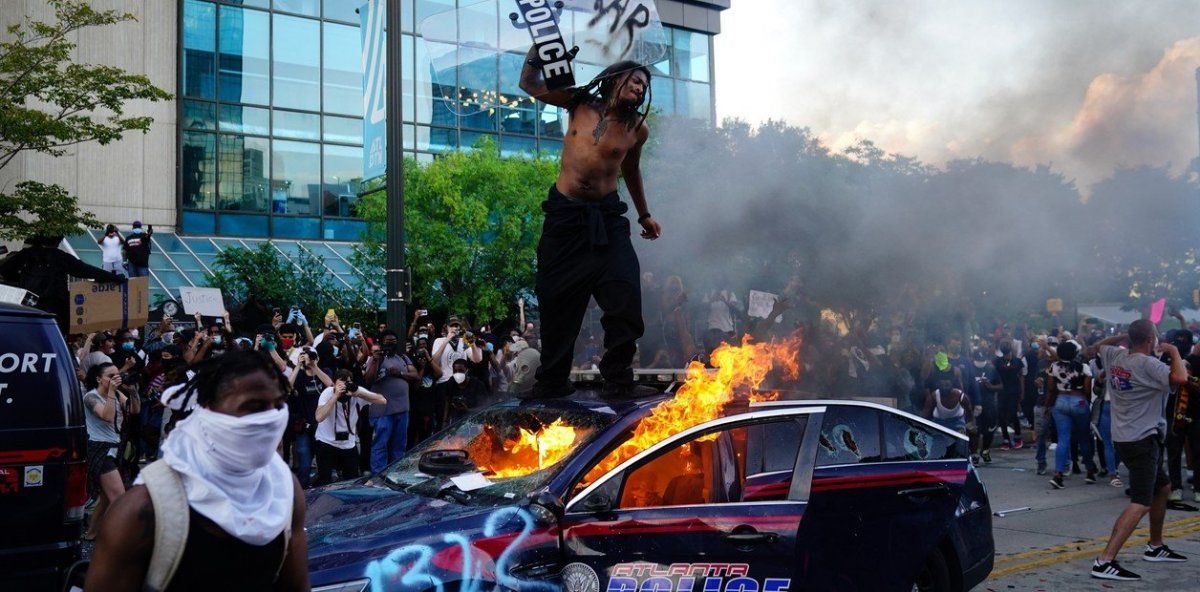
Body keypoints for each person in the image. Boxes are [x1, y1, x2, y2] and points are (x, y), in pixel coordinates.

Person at [84, 351, 309, 591]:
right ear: (209, 407)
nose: (269, 419)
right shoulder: (142, 510)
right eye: (254, 407)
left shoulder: (283, 490)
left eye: (278, 405)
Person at [520, 55, 661, 400]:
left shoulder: (636, 129)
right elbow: (529, 84)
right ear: (615, 78)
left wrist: (644, 214)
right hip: (565, 219)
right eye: (634, 79)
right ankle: (552, 381)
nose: (639, 87)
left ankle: (618, 380)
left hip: (608, 218)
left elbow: (631, 170)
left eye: (644, 85)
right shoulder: (579, 102)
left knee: (625, 294)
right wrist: (537, 56)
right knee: (556, 300)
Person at [1089, 320, 1190, 581]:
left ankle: (1155, 546)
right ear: (1150, 340)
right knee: (1141, 503)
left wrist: (1125, 335)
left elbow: (1097, 346)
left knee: (1163, 488)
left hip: (1125, 437)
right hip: (1142, 439)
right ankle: (1104, 561)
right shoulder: (1149, 365)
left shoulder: (1115, 355)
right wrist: (1174, 351)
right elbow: (1181, 378)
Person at [0, 234, 125, 334]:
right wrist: (114, 278)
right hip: (54, 309)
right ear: (57, 242)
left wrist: (22, 280)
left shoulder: (26, 254)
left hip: (27, 307)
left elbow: (5, 270)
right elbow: (86, 270)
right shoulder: (60, 257)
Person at [82, 362, 140, 540]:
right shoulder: (90, 397)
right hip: (98, 450)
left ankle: (91, 534)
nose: (115, 379)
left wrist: (133, 391)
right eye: (110, 376)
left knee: (107, 498)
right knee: (119, 498)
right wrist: (112, 392)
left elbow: (135, 410)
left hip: (115, 448)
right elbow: (107, 416)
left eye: (117, 375)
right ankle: (121, 539)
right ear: (99, 379)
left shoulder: (116, 393)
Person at [314, 370, 386, 486]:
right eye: (341, 381)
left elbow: (382, 400)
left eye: (348, 381)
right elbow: (319, 417)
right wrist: (335, 396)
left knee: (352, 480)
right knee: (324, 479)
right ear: (334, 383)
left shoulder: (356, 391)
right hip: (326, 441)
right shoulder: (328, 393)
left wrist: (358, 393)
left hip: (348, 444)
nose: (345, 385)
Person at [363, 330, 419, 473]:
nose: (391, 344)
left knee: (399, 445)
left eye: (393, 341)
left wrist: (400, 373)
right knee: (380, 444)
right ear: (381, 343)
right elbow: (368, 379)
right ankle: (378, 475)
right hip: (382, 411)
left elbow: (415, 376)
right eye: (387, 341)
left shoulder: (403, 358)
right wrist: (376, 360)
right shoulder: (375, 359)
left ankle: (396, 474)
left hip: (402, 409)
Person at [1045, 340, 1097, 488]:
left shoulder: (1054, 366)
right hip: (1079, 401)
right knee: (1084, 437)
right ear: (1075, 353)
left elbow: (1051, 389)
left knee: (1063, 439)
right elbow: (1087, 390)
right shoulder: (1084, 367)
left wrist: (1047, 405)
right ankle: (1089, 471)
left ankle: (1058, 474)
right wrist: (1086, 403)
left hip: (1060, 401)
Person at [287, 347, 333, 488]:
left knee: (323, 461)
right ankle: (304, 490)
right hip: (305, 425)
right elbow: (287, 387)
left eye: (311, 356)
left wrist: (314, 366)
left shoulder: (324, 371)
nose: (309, 359)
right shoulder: (300, 375)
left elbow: (330, 385)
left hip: (323, 426)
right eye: (305, 356)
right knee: (305, 462)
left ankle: (322, 488)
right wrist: (298, 366)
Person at [992, 341, 1027, 450]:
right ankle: (1006, 439)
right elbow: (994, 375)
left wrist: (1022, 392)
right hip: (1002, 391)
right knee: (1001, 415)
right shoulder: (997, 361)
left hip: (1014, 391)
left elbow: (1021, 377)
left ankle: (1018, 437)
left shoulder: (1017, 361)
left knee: (1013, 413)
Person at [436, 358, 491, 425]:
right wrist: (445, 421)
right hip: (456, 421)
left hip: (475, 420)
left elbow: (485, 407)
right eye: (455, 371)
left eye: (461, 371)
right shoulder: (451, 382)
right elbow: (447, 401)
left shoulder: (477, 385)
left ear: (467, 371)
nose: (457, 373)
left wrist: (468, 410)